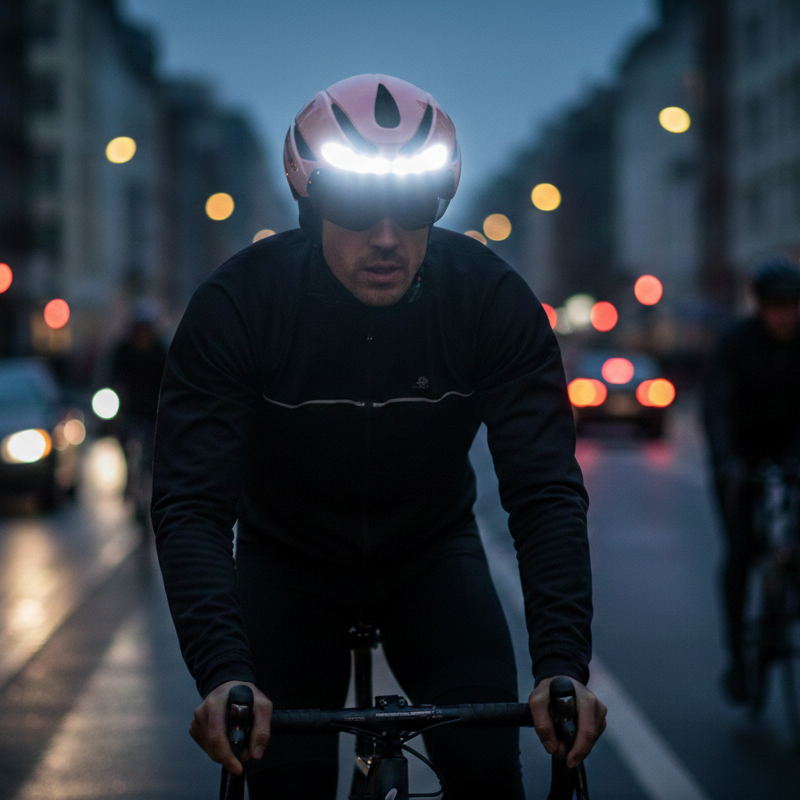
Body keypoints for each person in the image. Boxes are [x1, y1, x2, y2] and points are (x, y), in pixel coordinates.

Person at [152, 74, 606, 798]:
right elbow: (192, 505)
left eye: (413, 208)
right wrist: (225, 675)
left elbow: (545, 490)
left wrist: (562, 666)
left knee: (491, 771)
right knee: (280, 776)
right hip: (286, 566)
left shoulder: (488, 298)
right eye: (359, 207)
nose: (388, 237)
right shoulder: (237, 306)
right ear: (311, 203)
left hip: (430, 556)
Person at [703, 255, 800, 703]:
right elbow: (718, 408)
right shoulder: (737, 344)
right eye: (777, 306)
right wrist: (727, 463)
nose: (786, 315)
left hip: (790, 454)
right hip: (741, 460)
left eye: (793, 305)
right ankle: (738, 660)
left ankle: (781, 622)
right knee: (741, 552)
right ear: (760, 306)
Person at [108, 298, 168, 523]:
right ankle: (128, 477)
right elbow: (111, 378)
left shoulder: (161, 351)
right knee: (123, 437)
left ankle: (154, 482)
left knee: (156, 449)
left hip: (154, 411)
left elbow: (171, 380)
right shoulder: (122, 350)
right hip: (130, 409)